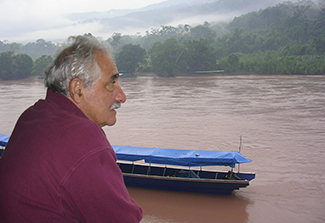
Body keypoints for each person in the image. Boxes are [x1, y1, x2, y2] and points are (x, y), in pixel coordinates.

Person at [0, 35, 143, 222]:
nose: (121, 96)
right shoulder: (83, 141)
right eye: (112, 83)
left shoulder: (33, 115)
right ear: (77, 89)